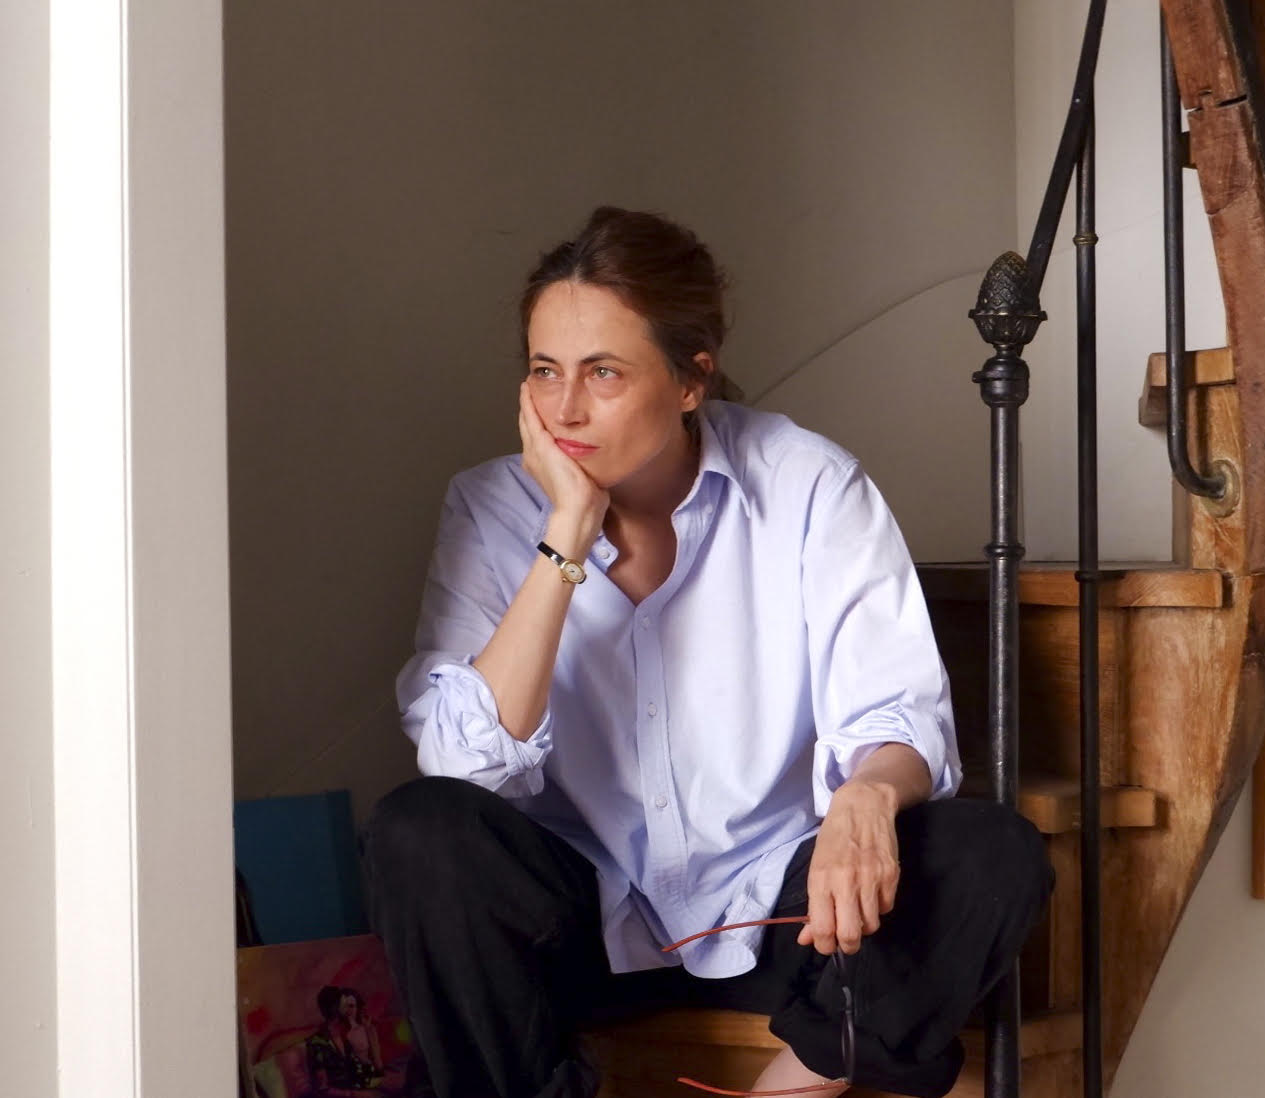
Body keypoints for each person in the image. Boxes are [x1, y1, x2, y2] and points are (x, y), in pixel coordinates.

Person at [363, 207, 1051, 1098]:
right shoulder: (489, 508)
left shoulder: (806, 483)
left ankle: (797, 1083)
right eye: (543, 370)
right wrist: (566, 533)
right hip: (580, 930)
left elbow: (894, 708)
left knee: (990, 853)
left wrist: (869, 796)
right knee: (419, 832)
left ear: (692, 378)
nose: (564, 409)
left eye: (603, 372)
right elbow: (462, 764)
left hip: (788, 922)